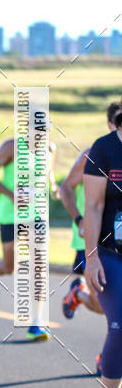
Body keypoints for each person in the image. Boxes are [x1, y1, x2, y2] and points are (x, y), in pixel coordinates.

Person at [59, 104, 119, 374]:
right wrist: (79, 220)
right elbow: (65, 189)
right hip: (91, 242)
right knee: (112, 311)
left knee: (115, 311)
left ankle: (80, 296)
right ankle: (82, 297)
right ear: (110, 124)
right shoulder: (93, 154)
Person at [0, 139, 58, 341]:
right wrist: (12, 195)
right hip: (10, 215)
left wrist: (53, 185)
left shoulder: (50, 148)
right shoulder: (11, 147)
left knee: (39, 265)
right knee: (11, 267)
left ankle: (37, 322)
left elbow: (48, 171)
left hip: (37, 216)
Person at [83, 105, 122, 388]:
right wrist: (91, 257)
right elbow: (93, 206)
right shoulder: (104, 148)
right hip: (111, 255)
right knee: (119, 325)